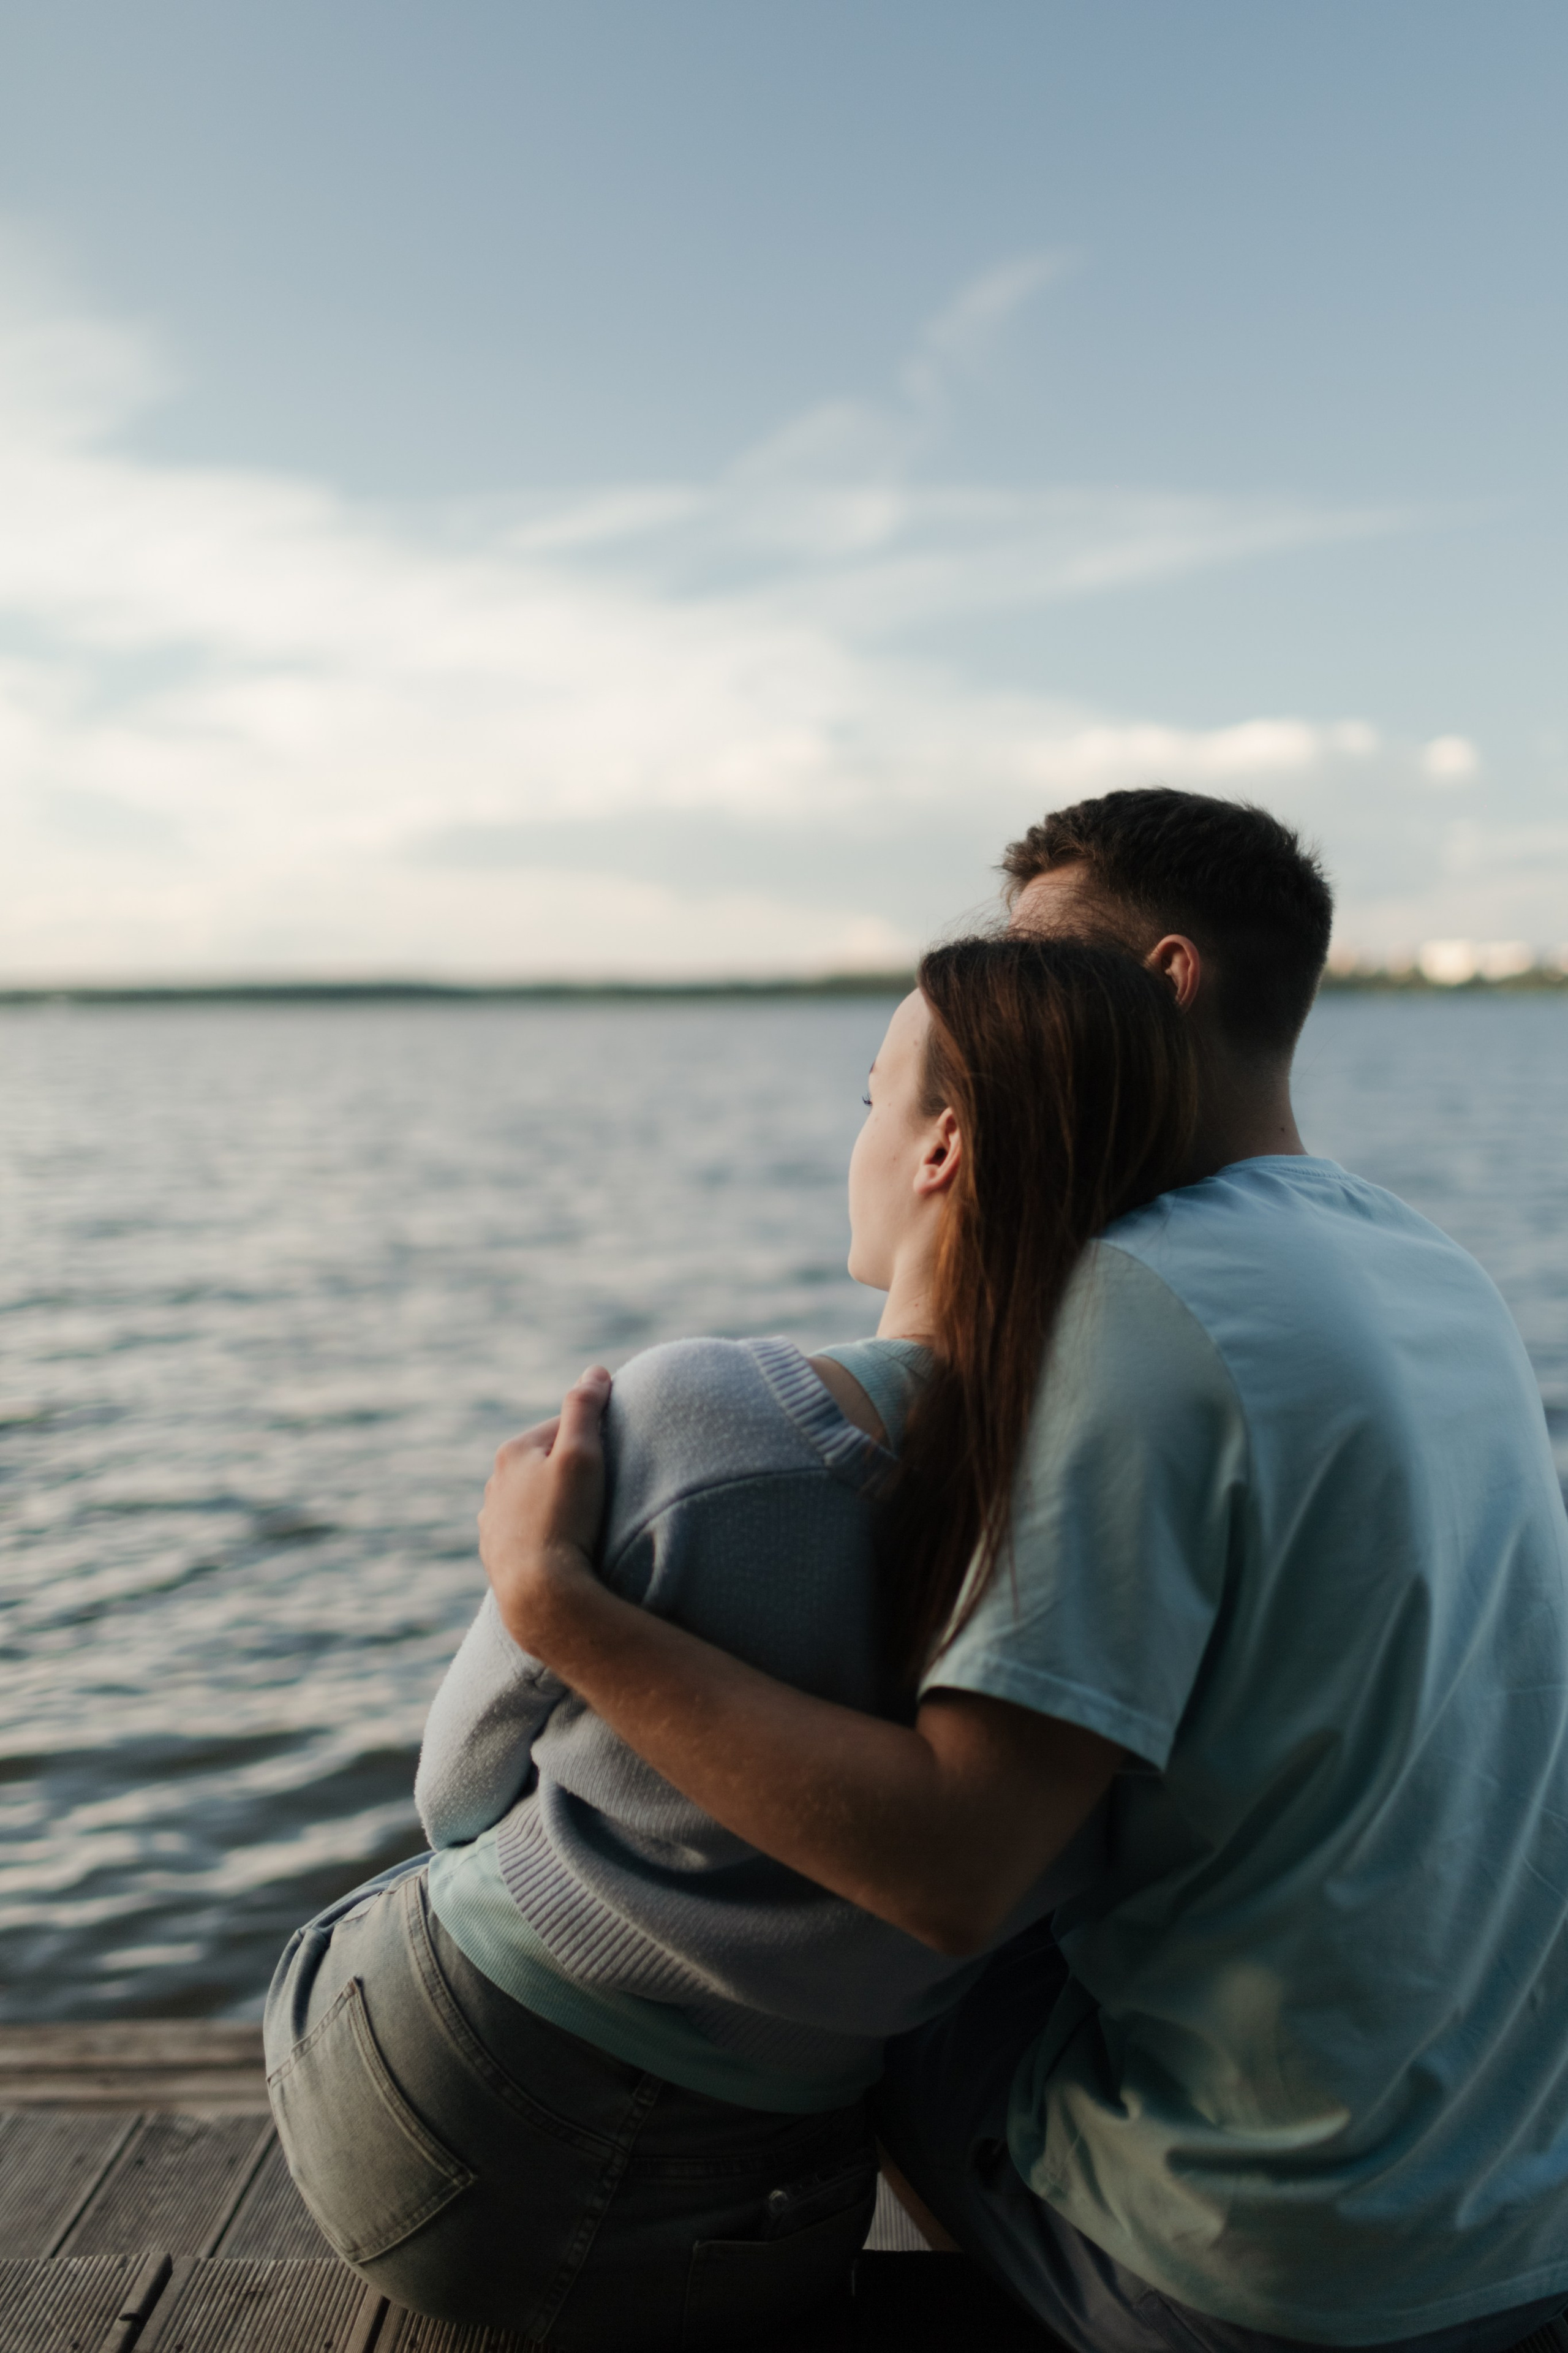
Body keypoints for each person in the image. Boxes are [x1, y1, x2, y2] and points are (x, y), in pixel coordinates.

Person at [480, 788, 1568, 2353]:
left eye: (1033, 954)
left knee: (859, 1972)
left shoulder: (1134, 1301)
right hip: (1514, 2217)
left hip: (1277, 2280)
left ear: (1163, 981)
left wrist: (561, 1615)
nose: (992, 997)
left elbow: (951, 1870)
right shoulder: (1429, 1266)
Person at [263, 932, 1195, 2349]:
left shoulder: (709, 1421)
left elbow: (452, 1790)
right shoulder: (1135, 1508)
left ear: (939, 1145)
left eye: (870, 1095)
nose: (858, 1136)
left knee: (376, 1915)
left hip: (444, 2131)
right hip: (763, 2209)